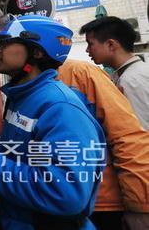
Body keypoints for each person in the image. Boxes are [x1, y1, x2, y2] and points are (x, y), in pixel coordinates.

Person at [0, 14, 106, 230]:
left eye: (6, 43)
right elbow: (28, 153)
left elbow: (65, 193)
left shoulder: (59, 107)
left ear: (36, 52)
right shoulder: (24, 97)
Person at [58, 59, 149, 230]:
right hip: (62, 201)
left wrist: (140, 206)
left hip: (102, 202)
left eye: (91, 43)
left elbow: (127, 136)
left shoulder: (81, 73)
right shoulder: (23, 88)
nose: (87, 51)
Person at [80, 16, 149, 130]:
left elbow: (140, 131)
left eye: (90, 44)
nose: (87, 50)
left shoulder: (130, 80)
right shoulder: (133, 72)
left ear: (111, 45)